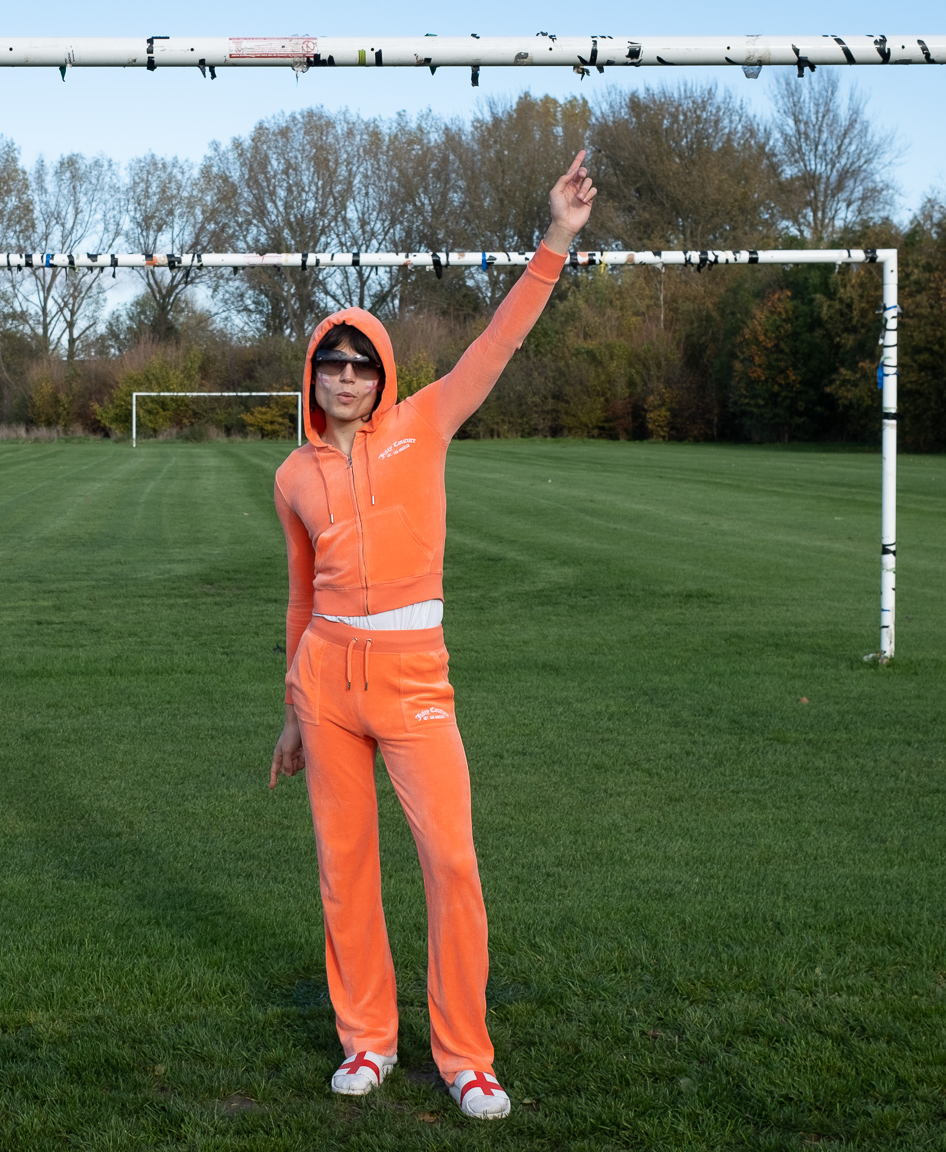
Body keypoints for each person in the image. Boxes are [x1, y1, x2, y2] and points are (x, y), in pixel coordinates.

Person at [269, 151, 596, 1121]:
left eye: (358, 362)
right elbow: (296, 600)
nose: (343, 376)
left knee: (450, 862)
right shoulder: (289, 476)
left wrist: (556, 239)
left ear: (381, 374)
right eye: (329, 362)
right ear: (312, 375)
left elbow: (497, 341)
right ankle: (365, 1042)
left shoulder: (427, 420)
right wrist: (291, 709)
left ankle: (464, 1057)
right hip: (324, 680)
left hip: (414, 678)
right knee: (343, 869)